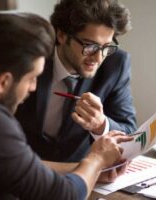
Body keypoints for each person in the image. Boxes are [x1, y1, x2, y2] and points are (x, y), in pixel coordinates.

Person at [0, 12, 133, 200]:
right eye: (32, 79)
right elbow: (66, 196)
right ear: (3, 82)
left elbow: (18, 163)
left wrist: (90, 168)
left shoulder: (116, 65)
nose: (33, 86)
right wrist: (96, 159)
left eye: (106, 47)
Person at [15, 0, 137, 162]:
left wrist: (101, 125)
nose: (98, 57)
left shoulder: (115, 64)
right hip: (22, 168)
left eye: (106, 46)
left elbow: (129, 132)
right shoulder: (33, 55)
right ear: (62, 35)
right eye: (90, 45)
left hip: (81, 171)